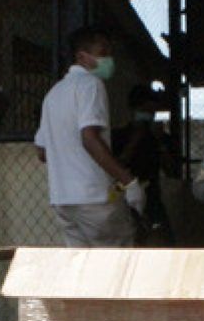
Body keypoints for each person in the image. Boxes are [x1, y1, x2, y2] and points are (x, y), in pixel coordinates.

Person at [34, 26, 145, 248]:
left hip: (62, 200)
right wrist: (128, 181)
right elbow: (89, 138)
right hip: (94, 197)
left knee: (83, 269)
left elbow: (42, 152)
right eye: (103, 53)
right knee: (117, 265)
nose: (109, 59)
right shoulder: (90, 85)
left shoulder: (53, 94)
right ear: (82, 57)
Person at [113, 84, 179, 245]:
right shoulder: (120, 135)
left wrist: (160, 141)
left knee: (163, 240)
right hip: (125, 197)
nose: (149, 114)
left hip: (152, 198)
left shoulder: (158, 136)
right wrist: (135, 138)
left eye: (152, 111)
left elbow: (172, 170)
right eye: (145, 110)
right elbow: (118, 163)